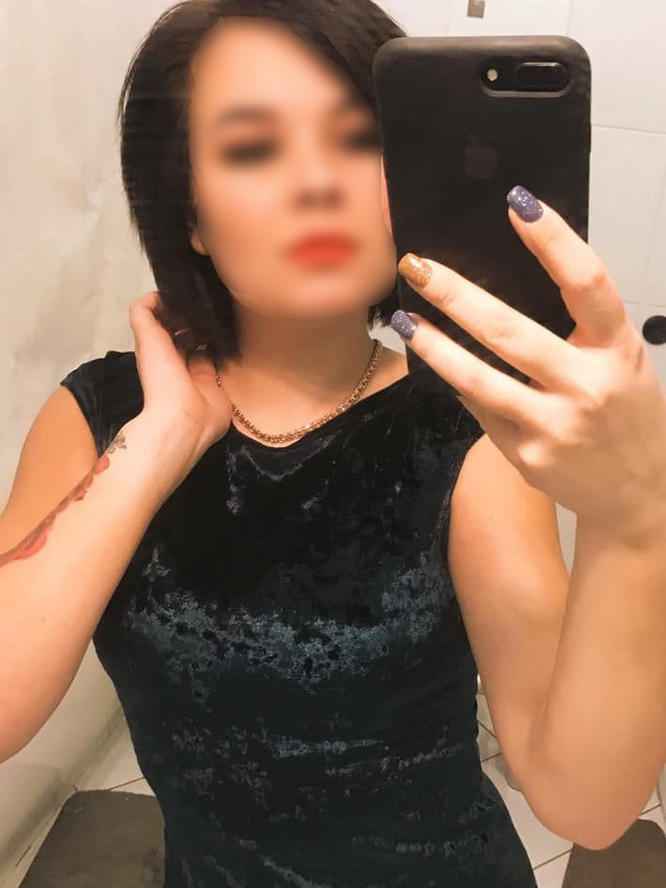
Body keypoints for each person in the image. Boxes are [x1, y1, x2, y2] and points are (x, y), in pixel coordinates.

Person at [2, 1, 537, 885]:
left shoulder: (465, 430)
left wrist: (634, 524)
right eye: (253, 149)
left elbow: (580, 793)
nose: (317, 183)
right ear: (191, 216)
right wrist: (158, 443)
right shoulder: (101, 415)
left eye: (361, 140)